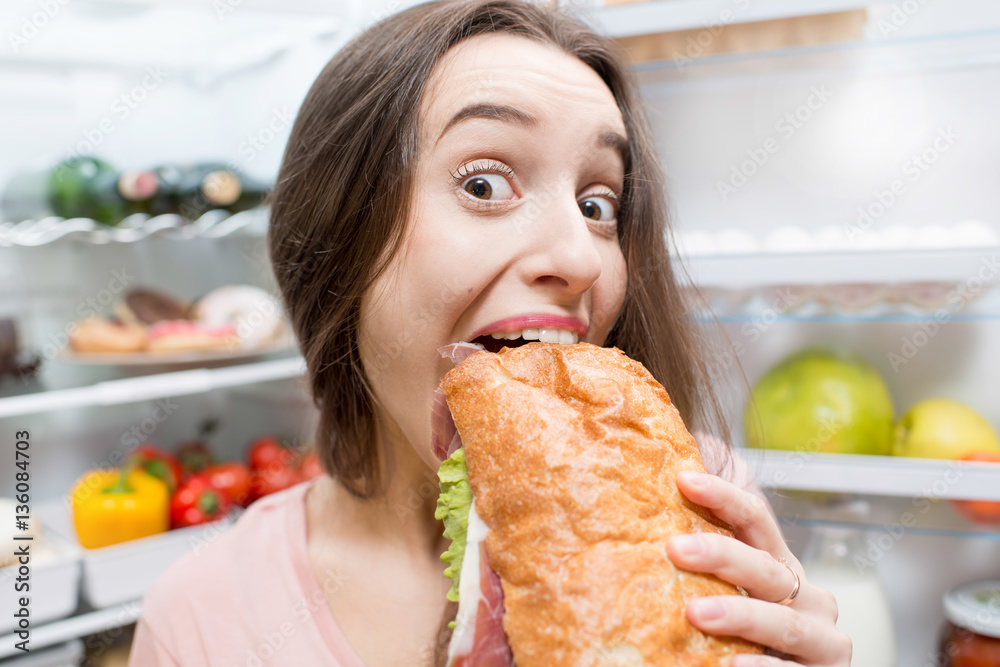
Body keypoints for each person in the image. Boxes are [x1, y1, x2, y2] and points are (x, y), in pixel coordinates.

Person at [129, 1, 852, 665]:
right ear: (337, 242)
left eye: (599, 203)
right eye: (483, 184)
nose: (578, 256)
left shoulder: (706, 504)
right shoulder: (204, 615)